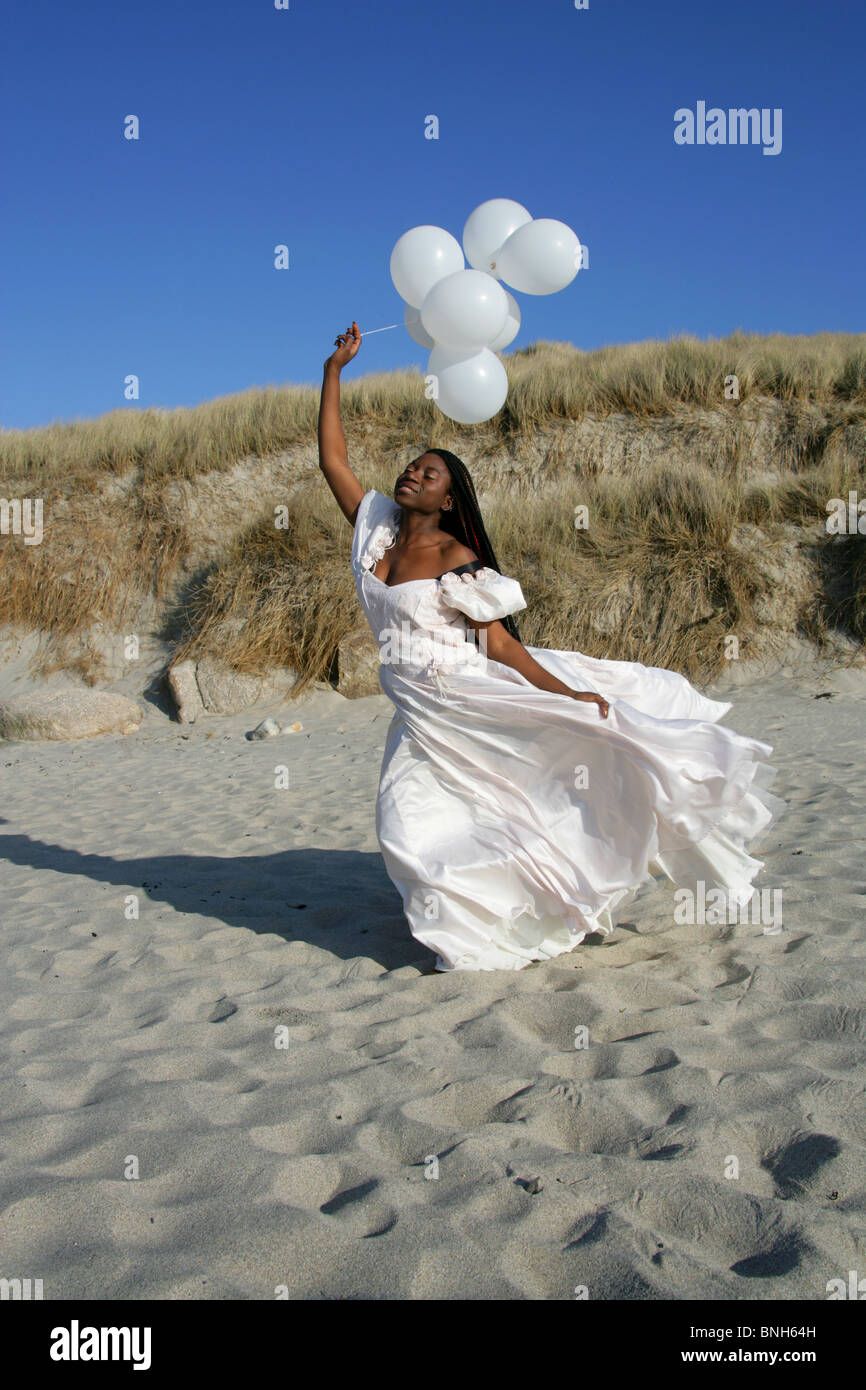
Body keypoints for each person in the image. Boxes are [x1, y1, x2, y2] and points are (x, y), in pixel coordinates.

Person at [317, 322, 785, 972]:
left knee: (531, 789)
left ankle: (515, 915)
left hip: (469, 694)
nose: (412, 475)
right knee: (406, 821)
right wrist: (334, 371)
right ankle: (478, 923)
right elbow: (333, 461)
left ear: (449, 497)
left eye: (428, 473)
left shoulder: (457, 556)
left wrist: (564, 692)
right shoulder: (375, 531)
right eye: (411, 467)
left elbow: (500, 646)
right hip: (420, 713)